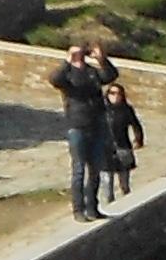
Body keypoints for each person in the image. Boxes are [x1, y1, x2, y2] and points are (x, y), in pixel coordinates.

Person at [52, 34, 113, 219]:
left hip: (96, 123)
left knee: (95, 168)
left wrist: (102, 59)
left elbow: (109, 76)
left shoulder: (92, 72)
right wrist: (67, 62)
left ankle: (93, 207)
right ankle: (78, 209)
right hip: (77, 125)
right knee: (79, 169)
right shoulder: (67, 74)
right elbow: (55, 80)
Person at [99, 61, 146, 202]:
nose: (115, 96)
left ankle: (126, 203)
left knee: (124, 182)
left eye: (118, 94)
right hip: (105, 148)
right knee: (107, 182)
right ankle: (109, 204)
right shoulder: (101, 110)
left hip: (123, 146)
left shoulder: (126, 109)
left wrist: (139, 139)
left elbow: (136, 125)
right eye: (112, 93)